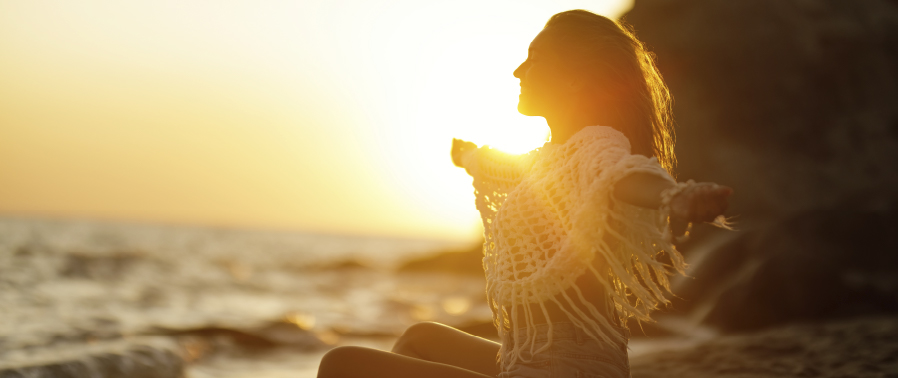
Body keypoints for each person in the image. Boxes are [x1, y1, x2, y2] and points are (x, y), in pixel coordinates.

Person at [317, 9, 731, 378]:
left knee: (340, 365)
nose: (518, 71)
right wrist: (468, 156)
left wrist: (676, 197)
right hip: (532, 361)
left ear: (571, 76)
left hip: (565, 369)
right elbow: (501, 166)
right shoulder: (550, 161)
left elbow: (623, 174)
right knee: (419, 338)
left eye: (533, 60)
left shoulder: (594, 146)